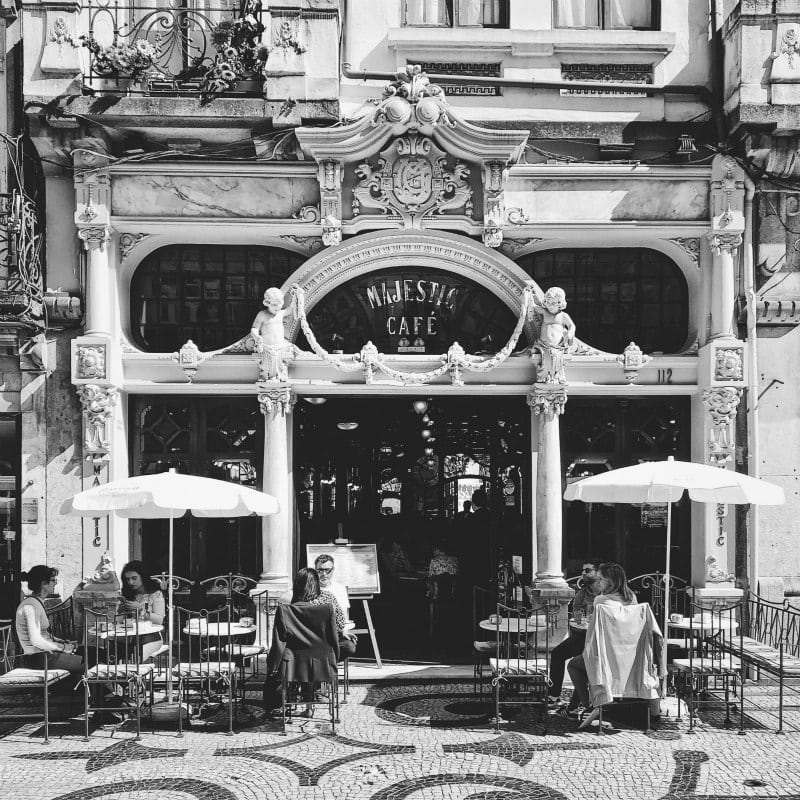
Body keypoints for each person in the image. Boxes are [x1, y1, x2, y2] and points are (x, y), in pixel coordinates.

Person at [567, 562, 638, 729]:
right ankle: (580, 705)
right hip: (628, 657)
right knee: (584, 663)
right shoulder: (633, 599)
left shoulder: (601, 600)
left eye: (601, 579)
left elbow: (593, 634)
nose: (598, 583)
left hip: (606, 658)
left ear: (611, 582)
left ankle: (591, 706)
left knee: (574, 665)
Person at [263, 567, 339, 716]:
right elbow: (333, 640)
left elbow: (279, 643)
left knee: (288, 665)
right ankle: (309, 708)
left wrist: (272, 665)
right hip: (322, 663)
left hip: (293, 666)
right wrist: (332, 659)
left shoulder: (285, 611)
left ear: (296, 585)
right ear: (316, 586)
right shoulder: (327, 610)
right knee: (311, 661)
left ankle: (277, 706)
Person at [547, 560, 601, 711]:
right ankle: (553, 695)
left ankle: (576, 705)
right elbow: (577, 619)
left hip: (598, 639)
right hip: (582, 636)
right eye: (583, 570)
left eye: (588, 570)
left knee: (582, 664)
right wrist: (582, 620)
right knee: (557, 653)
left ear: (598, 573)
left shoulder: (605, 594)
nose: (583, 573)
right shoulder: (581, 595)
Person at [15, 565, 83, 675]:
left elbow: (43, 634)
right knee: (90, 661)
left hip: (46, 655)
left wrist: (62, 641)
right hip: (39, 659)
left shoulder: (37, 602)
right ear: (43, 583)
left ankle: (98, 691)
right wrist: (64, 648)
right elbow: (36, 640)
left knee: (95, 652)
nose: (55, 583)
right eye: (52, 580)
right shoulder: (30, 606)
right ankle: (97, 692)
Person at [118, 561, 166, 661]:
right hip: (130, 635)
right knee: (114, 643)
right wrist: (122, 610)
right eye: (128, 579)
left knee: (139, 645)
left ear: (142, 576)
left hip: (151, 635)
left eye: (134, 578)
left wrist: (140, 609)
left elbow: (159, 620)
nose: (131, 582)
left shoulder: (156, 593)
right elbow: (120, 620)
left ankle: (137, 671)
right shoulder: (129, 594)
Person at [313, 553, 358, 659]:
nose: (324, 574)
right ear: (315, 571)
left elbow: (344, 616)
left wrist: (345, 631)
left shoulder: (340, 589)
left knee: (349, 647)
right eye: (320, 570)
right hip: (315, 634)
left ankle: (325, 664)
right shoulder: (310, 588)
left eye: (327, 570)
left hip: (335, 633)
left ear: (333, 570)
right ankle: (326, 666)